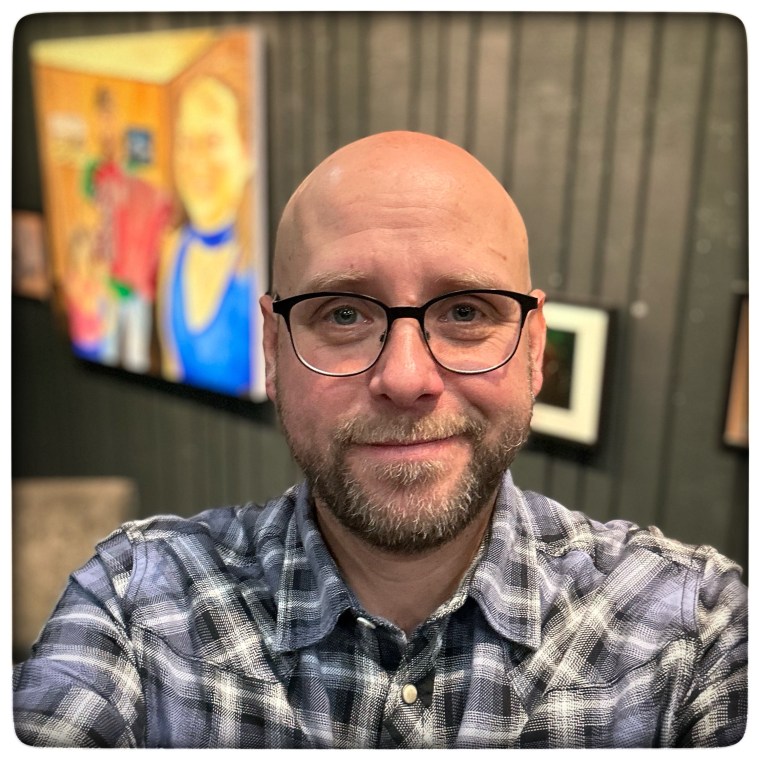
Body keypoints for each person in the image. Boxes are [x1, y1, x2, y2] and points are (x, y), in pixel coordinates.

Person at [13, 131, 747, 748]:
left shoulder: (698, 631)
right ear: (272, 345)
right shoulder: (137, 604)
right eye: (342, 314)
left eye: (465, 312)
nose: (405, 377)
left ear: (532, 347)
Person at [157, 75, 256, 397]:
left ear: (247, 155)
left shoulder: (260, 258)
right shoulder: (172, 248)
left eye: (212, 140)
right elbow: (172, 369)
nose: (196, 160)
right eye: (185, 142)